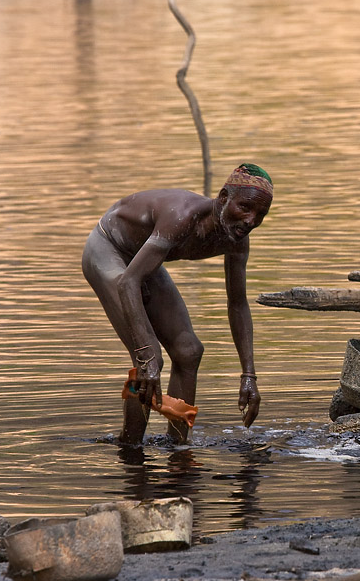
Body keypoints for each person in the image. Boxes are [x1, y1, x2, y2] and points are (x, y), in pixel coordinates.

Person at [82, 164, 273, 445]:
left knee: (189, 351)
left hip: (144, 259)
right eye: (245, 207)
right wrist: (145, 354)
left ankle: (179, 448)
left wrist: (249, 375)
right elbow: (128, 283)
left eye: (260, 215)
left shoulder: (237, 241)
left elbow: (237, 304)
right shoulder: (181, 217)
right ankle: (130, 447)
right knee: (150, 360)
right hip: (109, 248)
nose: (250, 221)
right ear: (223, 199)